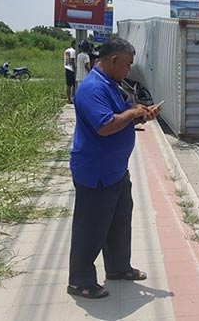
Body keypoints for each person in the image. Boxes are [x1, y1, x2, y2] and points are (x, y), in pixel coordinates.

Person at [67, 36, 161, 299]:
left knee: (119, 222)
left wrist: (141, 114)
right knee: (91, 227)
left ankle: (119, 268)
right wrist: (133, 113)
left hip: (116, 170)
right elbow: (106, 125)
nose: (129, 69)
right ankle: (80, 280)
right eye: (128, 64)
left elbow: (121, 120)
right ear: (114, 60)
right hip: (96, 171)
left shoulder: (112, 84)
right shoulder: (93, 88)